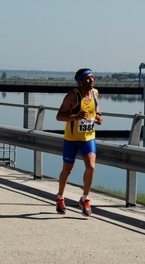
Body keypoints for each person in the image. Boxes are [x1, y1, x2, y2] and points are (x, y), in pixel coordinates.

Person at [55, 68, 103, 217]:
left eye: (92, 77)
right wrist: (76, 116)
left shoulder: (95, 93)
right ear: (80, 82)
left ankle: (85, 199)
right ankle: (60, 197)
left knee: (91, 167)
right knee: (67, 170)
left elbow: (96, 107)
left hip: (88, 138)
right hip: (71, 139)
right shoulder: (72, 96)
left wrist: (99, 116)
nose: (91, 80)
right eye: (88, 78)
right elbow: (59, 116)